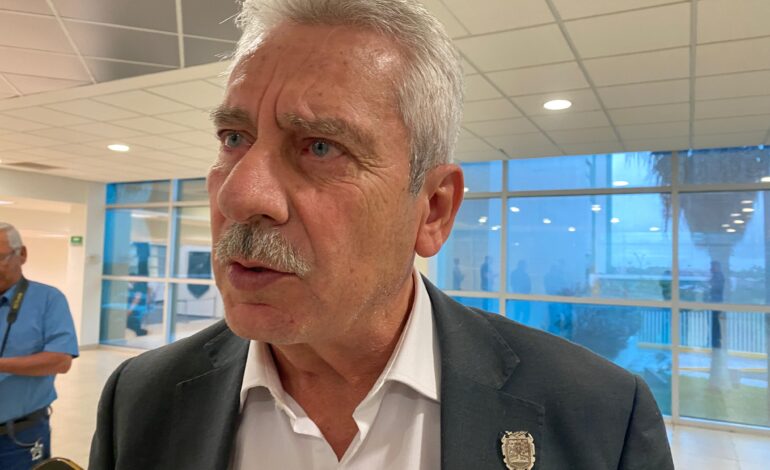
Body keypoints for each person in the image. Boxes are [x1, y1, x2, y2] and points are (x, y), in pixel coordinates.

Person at [89, 1, 674, 469]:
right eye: (234, 139)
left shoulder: (598, 416)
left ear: (433, 210)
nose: (238, 196)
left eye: (320, 147)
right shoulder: (140, 399)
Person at [0, 223, 79, 469]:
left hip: (19, 436)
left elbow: (60, 361)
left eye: (0, 258)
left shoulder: (48, 299)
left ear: (22, 254)